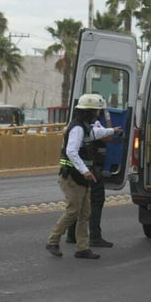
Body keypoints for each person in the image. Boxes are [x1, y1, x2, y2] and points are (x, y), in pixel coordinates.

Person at [45, 93, 121, 259]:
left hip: (81, 177)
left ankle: (82, 248)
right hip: (72, 176)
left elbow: (96, 134)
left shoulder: (85, 127)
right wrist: (84, 171)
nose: (97, 115)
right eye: (95, 112)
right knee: (73, 211)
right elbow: (72, 151)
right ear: (88, 112)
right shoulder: (78, 128)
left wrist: (112, 130)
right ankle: (53, 240)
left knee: (84, 213)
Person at [67, 98, 115, 247]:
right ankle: (94, 236)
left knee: (80, 201)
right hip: (90, 168)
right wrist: (108, 117)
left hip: (80, 167)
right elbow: (109, 137)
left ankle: (71, 234)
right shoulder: (95, 124)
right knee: (96, 200)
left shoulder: (79, 124)